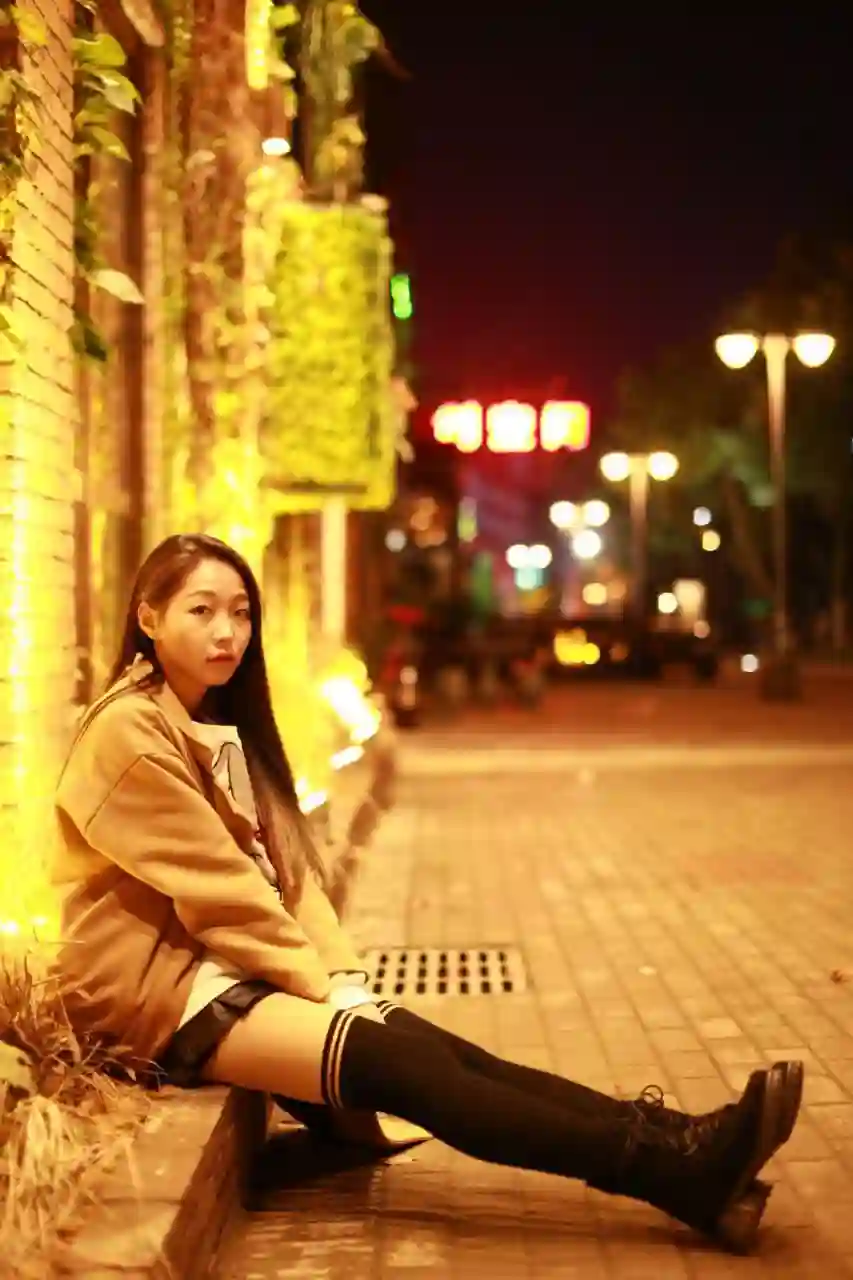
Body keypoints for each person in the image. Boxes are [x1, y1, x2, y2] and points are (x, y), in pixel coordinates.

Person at [52, 534, 803, 1254]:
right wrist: (319, 989)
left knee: (448, 1055)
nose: (227, 632)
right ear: (148, 617)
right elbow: (219, 886)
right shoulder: (128, 731)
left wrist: (343, 978)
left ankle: (681, 1144)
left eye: (241, 613)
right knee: (414, 1074)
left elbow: (287, 874)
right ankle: (680, 1173)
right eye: (202, 610)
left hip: (221, 968)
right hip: (158, 993)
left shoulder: (212, 714)